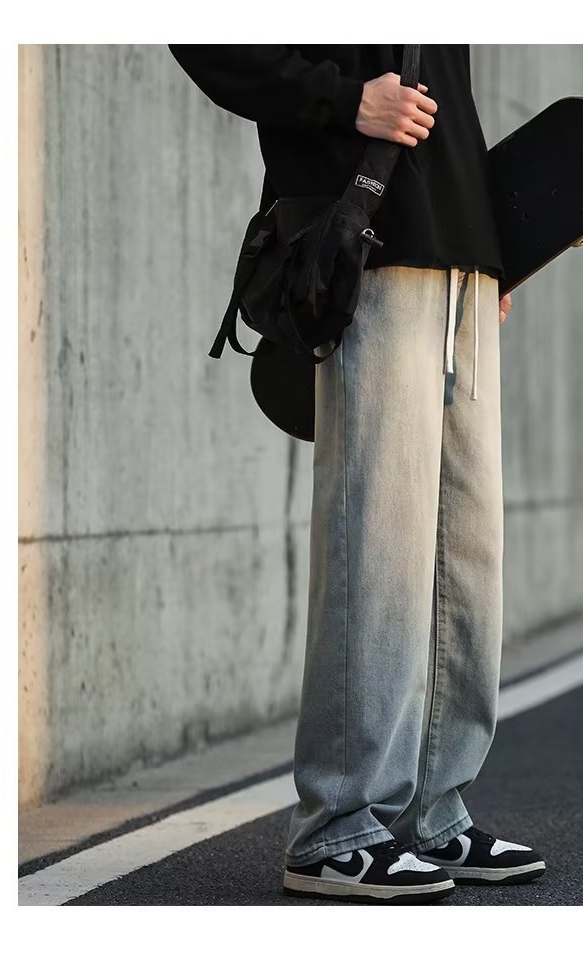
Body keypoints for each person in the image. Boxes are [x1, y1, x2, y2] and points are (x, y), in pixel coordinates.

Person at [168, 44, 545, 904]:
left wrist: (492, 244)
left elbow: (449, 95)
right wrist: (343, 100)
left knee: (466, 556)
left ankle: (435, 811)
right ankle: (336, 825)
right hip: (368, 242)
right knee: (378, 541)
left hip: (462, 260)